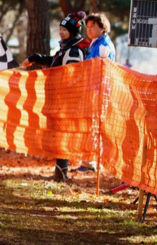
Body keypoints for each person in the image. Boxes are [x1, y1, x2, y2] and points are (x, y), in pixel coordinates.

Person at [22, 11, 90, 182]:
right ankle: (60, 172)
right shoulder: (66, 48)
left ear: (73, 32)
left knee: (62, 135)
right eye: (60, 29)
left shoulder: (74, 51)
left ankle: (61, 173)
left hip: (66, 101)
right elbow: (55, 61)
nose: (61, 32)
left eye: (64, 30)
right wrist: (36, 58)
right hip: (60, 99)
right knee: (58, 135)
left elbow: (70, 76)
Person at [72, 12, 116, 173]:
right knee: (88, 125)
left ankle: (90, 163)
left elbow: (98, 69)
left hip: (97, 92)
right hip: (90, 91)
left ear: (102, 28)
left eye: (93, 26)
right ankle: (87, 161)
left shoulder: (104, 45)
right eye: (88, 26)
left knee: (93, 126)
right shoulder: (95, 43)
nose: (89, 30)